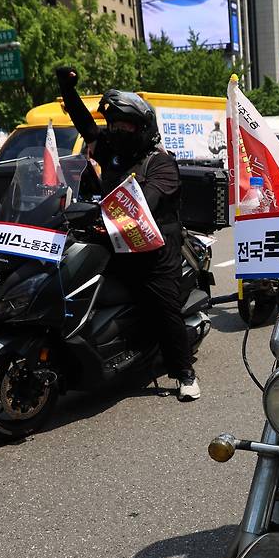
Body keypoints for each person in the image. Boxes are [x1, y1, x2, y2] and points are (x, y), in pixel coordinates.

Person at [55, 67, 200, 401]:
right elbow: (86, 127)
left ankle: (184, 373)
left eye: (126, 126)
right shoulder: (114, 152)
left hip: (155, 251)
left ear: (143, 127)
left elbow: (144, 203)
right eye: (115, 125)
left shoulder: (160, 163)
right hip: (114, 242)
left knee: (163, 308)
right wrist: (67, 89)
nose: (118, 131)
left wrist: (100, 213)